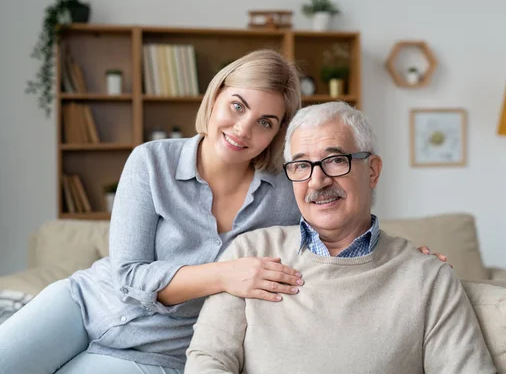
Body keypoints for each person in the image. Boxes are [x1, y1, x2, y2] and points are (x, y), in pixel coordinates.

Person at [0, 50, 445, 374]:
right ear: (216, 98)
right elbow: (129, 276)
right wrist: (226, 274)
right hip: (80, 305)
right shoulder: (150, 161)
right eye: (238, 106)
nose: (243, 129)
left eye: (266, 122)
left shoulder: (288, 194)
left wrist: (404, 259)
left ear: (277, 135)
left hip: (158, 354)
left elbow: (341, 231)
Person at [185, 102, 496, 373]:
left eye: (335, 160)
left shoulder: (427, 276)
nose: (317, 181)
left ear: (372, 171)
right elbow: (208, 359)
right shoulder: (250, 252)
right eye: (302, 165)